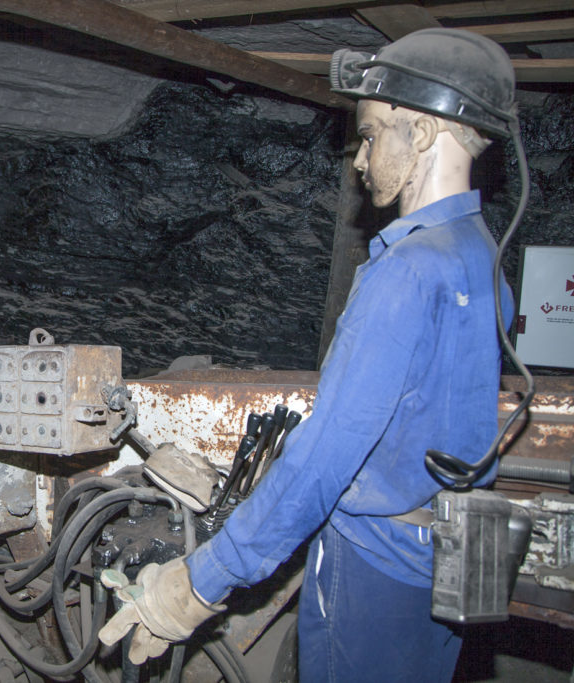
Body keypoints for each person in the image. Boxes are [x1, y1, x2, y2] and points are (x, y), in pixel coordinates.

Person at [99, 28, 518, 682]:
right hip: (450, 559)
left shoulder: (404, 273)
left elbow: (325, 458)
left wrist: (201, 581)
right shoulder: (480, 254)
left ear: (423, 131)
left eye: (371, 135)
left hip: (374, 566)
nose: (360, 160)